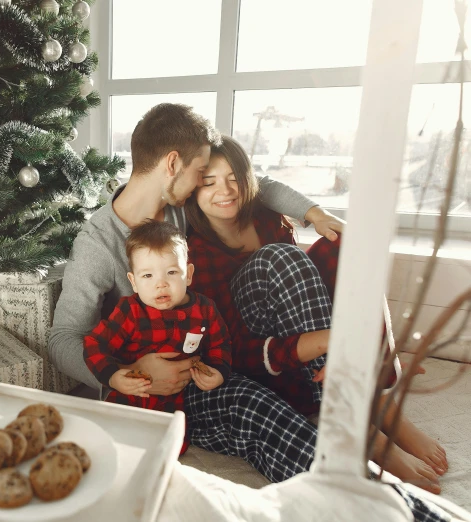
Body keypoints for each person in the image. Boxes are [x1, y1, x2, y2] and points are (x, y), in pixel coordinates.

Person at [48, 103, 450, 522]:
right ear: (173, 165)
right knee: (265, 415)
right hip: (164, 388)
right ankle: (373, 499)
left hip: (214, 356)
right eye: (200, 172)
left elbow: (259, 182)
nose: (208, 184)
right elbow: (61, 338)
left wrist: (313, 213)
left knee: (283, 261)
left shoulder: (181, 206)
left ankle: (360, 419)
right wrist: (128, 371)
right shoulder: (96, 245)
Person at [184, 134, 448, 494]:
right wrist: (328, 339)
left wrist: (320, 217)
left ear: (248, 181)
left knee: (344, 245)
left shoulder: (264, 217)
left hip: (302, 336)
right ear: (192, 193)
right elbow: (236, 348)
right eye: (209, 182)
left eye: (233, 178)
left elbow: (303, 298)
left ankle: (375, 395)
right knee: (279, 258)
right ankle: (350, 415)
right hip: (260, 356)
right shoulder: (196, 251)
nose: (224, 190)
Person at [84, 220, 230, 417]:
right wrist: (112, 376)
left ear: (188, 275)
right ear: (133, 282)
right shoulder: (131, 311)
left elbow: (220, 345)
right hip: (137, 396)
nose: (161, 284)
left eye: (171, 272)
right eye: (147, 276)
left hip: (189, 395)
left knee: (174, 441)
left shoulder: (205, 309)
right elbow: (95, 344)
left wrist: (219, 371)